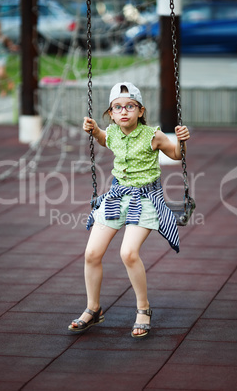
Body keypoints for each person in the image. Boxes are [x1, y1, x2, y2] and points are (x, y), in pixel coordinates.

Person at [68, 82, 190, 338]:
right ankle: (93, 308)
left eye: (130, 106)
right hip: (116, 196)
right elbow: (103, 139)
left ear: (140, 111)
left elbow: (177, 155)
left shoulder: (153, 135)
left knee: (128, 253)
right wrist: (94, 130)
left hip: (145, 198)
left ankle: (143, 309)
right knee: (91, 253)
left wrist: (181, 142)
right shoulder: (112, 132)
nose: (124, 111)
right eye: (118, 107)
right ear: (111, 113)